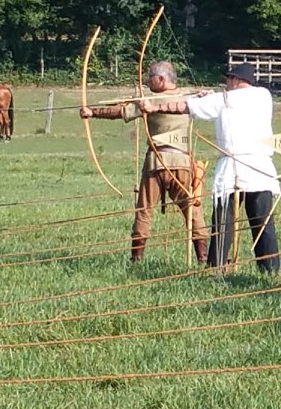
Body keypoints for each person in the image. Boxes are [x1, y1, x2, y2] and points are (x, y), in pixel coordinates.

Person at [141, 62, 280, 273]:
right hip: (261, 168)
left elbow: (183, 107)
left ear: (235, 80)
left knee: (223, 221)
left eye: (228, 79)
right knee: (263, 222)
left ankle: (216, 267)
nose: (227, 82)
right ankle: (270, 268)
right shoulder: (263, 95)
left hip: (235, 166)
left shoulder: (224, 99)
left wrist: (155, 107)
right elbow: (221, 101)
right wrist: (207, 97)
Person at [79, 60, 208, 264]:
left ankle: (136, 259)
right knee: (192, 209)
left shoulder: (149, 101)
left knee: (144, 210)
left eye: (150, 77)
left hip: (157, 162)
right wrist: (202, 93)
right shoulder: (187, 97)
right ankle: (203, 258)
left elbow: (121, 112)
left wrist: (92, 112)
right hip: (182, 161)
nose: (147, 81)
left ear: (161, 79)